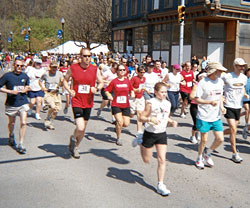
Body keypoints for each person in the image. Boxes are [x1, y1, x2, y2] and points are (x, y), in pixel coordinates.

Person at [63, 48, 103, 159]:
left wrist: (97, 88)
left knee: (83, 129)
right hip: (77, 100)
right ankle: (73, 137)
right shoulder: (73, 68)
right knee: (80, 127)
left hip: (88, 102)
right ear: (80, 57)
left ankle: (75, 146)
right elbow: (65, 80)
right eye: (85, 56)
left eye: (89, 56)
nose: (87, 58)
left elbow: (101, 82)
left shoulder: (95, 69)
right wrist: (69, 90)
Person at [139, 82, 177, 196]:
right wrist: (151, 120)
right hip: (150, 133)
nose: (164, 94)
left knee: (162, 159)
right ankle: (141, 142)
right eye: (162, 92)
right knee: (146, 160)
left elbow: (166, 117)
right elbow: (141, 117)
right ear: (155, 92)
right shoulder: (151, 103)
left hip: (161, 133)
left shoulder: (167, 103)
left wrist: (172, 121)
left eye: (165, 92)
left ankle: (160, 184)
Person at [194, 62, 227, 169]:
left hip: (216, 116)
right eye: (220, 71)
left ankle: (207, 153)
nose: (222, 72)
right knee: (204, 140)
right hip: (204, 116)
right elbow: (197, 98)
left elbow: (221, 96)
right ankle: (199, 158)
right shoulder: (203, 82)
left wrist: (221, 106)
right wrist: (209, 102)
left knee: (220, 139)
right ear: (214, 71)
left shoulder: (220, 82)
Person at [0, 56, 30, 154]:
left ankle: (21, 143)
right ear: (14, 65)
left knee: (24, 122)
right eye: (17, 65)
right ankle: (11, 134)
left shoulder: (25, 76)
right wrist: (10, 91)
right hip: (11, 103)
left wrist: (26, 89)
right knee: (12, 123)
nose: (19, 67)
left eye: (21, 66)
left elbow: (27, 86)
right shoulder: (7, 76)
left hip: (22, 102)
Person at [223, 58, 248, 163]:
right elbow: (219, 86)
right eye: (240, 66)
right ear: (235, 66)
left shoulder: (244, 77)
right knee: (233, 129)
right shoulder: (227, 76)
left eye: (243, 66)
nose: (242, 68)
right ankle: (234, 153)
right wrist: (221, 97)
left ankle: (220, 135)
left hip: (238, 106)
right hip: (229, 105)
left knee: (233, 130)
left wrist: (245, 94)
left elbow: (242, 88)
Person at [105, 64, 135, 146]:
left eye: (123, 70)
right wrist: (109, 95)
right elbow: (106, 90)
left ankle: (117, 126)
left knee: (126, 124)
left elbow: (131, 90)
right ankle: (118, 138)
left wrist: (132, 94)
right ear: (117, 71)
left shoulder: (127, 81)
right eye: (120, 70)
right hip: (116, 104)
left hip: (125, 105)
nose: (122, 71)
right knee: (120, 121)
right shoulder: (114, 81)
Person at [39, 60, 64, 130]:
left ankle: (49, 121)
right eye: (53, 67)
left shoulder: (60, 74)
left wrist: (62, 84)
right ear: (50, 67)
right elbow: (40, 81)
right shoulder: (46, 74)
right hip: (48, 93)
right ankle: (48, 117)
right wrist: (43, 87)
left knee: (56, 110)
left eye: (55, 67)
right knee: (52, 107)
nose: (54, 69)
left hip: (56, 93)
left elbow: (61, 83)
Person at [130, 65, 146, 147]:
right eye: (141, 72)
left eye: (143, 72)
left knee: (140, 114)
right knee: (131, 114)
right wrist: (136, 90)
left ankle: (139, 132)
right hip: (133, 98)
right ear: (138, 72)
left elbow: (143, 87)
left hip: (140, 98)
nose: (142, 74)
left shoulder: (144, 79)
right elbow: (130, 87)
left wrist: (146, 90)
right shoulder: (134, 78)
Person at [189, 72, 207, 144]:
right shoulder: (196, 85)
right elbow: (191, 97)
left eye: (205, 77)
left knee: (202, 122)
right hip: (195, 105)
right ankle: (193, 136)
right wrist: (198, 99)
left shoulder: (207, 86)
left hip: (203, 106)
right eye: (202, 76)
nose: (204, 78)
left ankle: (198, 133)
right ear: (199, 77)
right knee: (196, 123)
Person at [242, 67, 250, 139]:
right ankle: (246, 124)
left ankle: (246, 128)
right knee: (247, 110)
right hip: (245, 97)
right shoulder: (244, 78)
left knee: (248, 111)